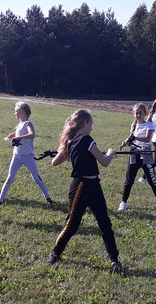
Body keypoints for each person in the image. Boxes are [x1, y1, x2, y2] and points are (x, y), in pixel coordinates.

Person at [47, 109, 122, 273]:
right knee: (73, 223)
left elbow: (54, 162)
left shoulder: (70, 141)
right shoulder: (87, 140)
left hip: (94, 186)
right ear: (84, 124)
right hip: (81, 187)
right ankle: (55, 254)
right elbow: (105, 162)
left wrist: (66, 150)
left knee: (104, 222)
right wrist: (111, 153)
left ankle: (114, 260)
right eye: (91, 125)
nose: (91, 128)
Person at [0, 101, 52, 206]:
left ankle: (48, 198)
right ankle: (0, 200)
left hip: (27, 156)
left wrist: (18, 137)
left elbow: (32, 134)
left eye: (16, 111)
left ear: (22, 112)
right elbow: (18, 133)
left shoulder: (28, 123)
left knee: (36, 178)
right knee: (10, 178)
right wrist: (12, 135)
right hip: (16, 156)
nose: (14, 114)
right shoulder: (19, 124)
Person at [118, 103, 156, 211]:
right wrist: (126, 142)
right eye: (136, 113)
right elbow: (131, 138)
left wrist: (135, 138)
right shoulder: (134, 125)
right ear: (133, 113)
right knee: (129, 180)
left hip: (146, 154)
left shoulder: (149, 125)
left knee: (152, 179)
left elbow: (147, 138)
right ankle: (123, 202)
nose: (138, 115)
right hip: (134, 154)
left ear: (145, 113)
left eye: (140, 113)